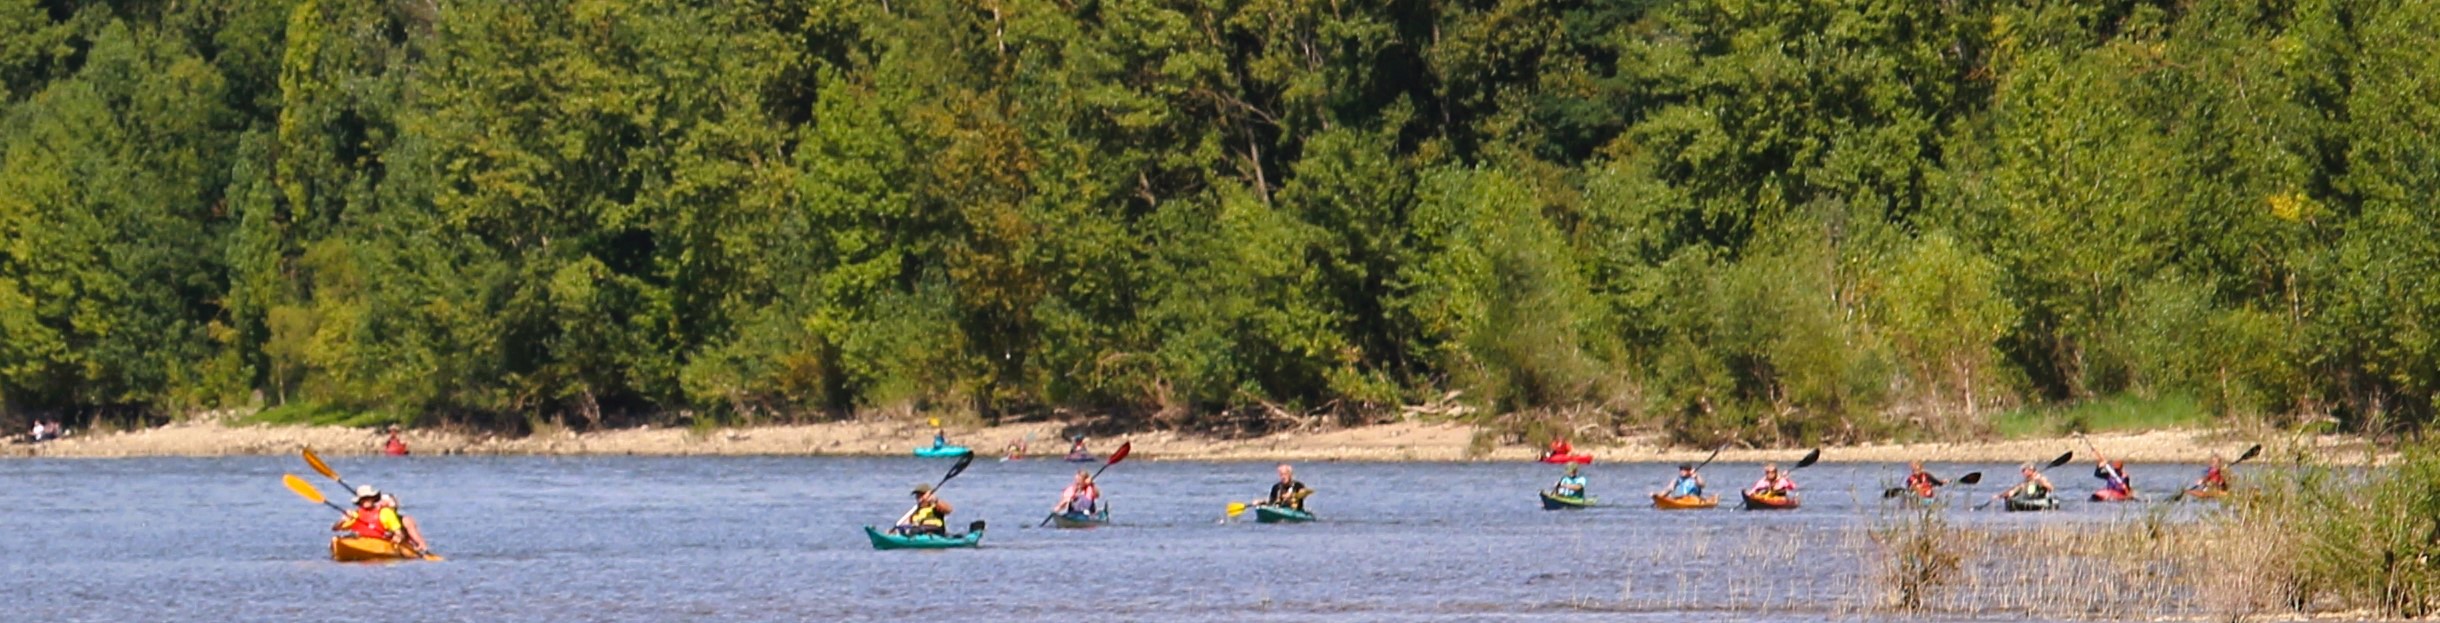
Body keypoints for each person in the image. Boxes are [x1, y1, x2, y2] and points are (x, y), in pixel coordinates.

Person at [331, 485, 402, 543]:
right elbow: (335, 529)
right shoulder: (355, 514)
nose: (366, 501)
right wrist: (343, 520)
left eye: (368, 498)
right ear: (359, 501)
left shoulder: (385, 512)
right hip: (360, 541)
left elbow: (398, 532)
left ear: (373, 498)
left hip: (380, 542)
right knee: (336, 539)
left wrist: (397, 537)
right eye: (363, 498)